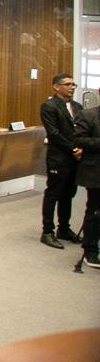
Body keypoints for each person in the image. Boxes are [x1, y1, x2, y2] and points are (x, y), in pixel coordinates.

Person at [39, 73, 82, 249]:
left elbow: (81, 130)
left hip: (75, 159)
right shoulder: (49, 106)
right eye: (68, 84)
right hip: (59, 158)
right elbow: (54, 133)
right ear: (56, 87)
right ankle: (47, 231)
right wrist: (73, 148)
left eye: (73, 84)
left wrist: (81, 148)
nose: (72, 87)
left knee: (69, 194)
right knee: (53, 193)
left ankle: (63, 228)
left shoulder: (77, 107)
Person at [71, 104, 100, 268]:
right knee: (95, 211)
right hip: (96, 172)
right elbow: (79, 139)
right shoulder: (88, 115)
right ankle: (90, 250)